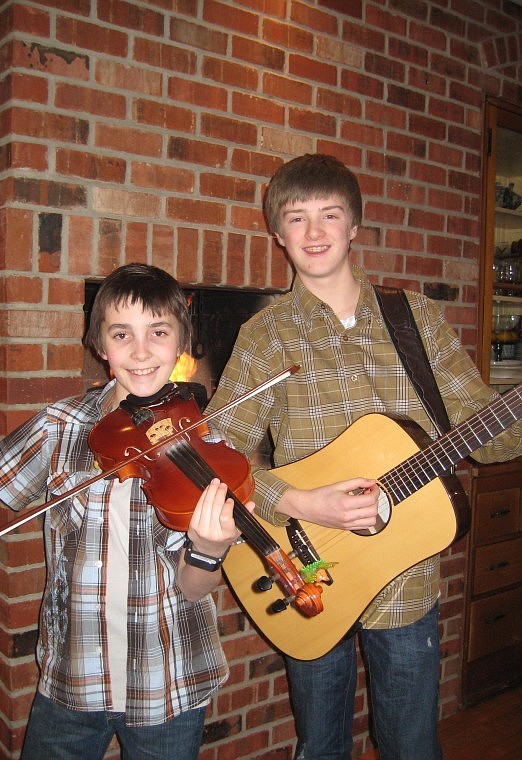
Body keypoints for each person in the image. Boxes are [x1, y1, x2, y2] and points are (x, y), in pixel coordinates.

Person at [206, 154, 522, 760]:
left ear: (355, 226)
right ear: (278, 234)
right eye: (297, 219)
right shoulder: (265, 336)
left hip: (406, 582)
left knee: (412, 748)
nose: (316, 232)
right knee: (321, 748)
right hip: (306, 574)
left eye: (330, 215)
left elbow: (485, 426)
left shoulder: (416, 319)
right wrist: (298, 500)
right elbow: (218, 453)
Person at [0, 263, 250, 760]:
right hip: (73, 676)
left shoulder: (208, 448)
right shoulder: (62, 425)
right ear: (101, 346)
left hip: (167, 682)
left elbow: (193, 588)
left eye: (158, 332)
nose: (140, 351)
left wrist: (208, 549)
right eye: (121, 334)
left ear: (180, 344)